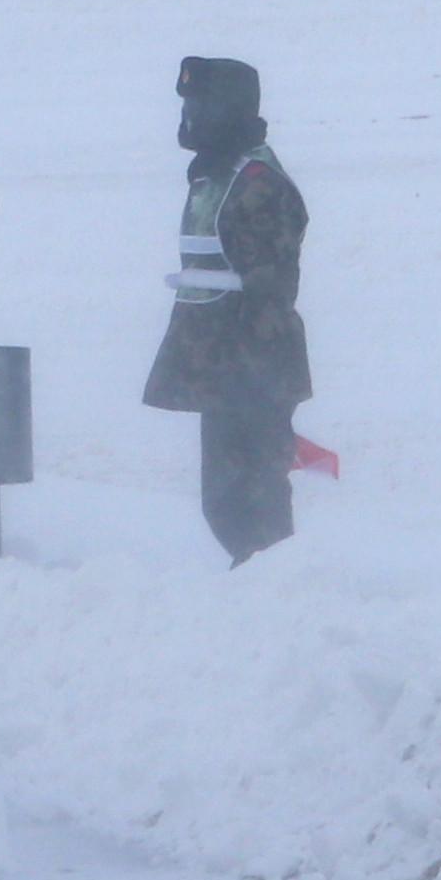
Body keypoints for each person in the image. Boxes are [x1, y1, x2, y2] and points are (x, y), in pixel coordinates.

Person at [140, 54, 310, 563]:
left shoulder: (257, 181)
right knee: (222, 499)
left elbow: (270, 289)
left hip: (251, 365)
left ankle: (275, 594)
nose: (189, 115)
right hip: (218, 364)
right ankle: (250, 591)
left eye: (199, 103)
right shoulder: (212, 178)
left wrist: (252, 379)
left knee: (254, 495)